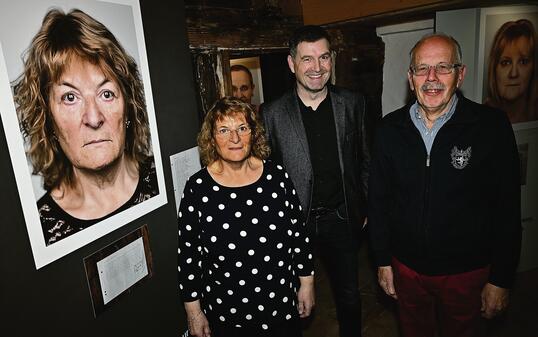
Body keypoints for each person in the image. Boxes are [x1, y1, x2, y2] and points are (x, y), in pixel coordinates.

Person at [368, 33, 522, 337]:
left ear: (460, 74)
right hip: (407, 269)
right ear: (410, 78)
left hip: (467, 272)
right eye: (422, 69)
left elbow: (507, 208)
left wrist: (501, 279)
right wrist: (383, 260)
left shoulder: (491, 127)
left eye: (443, 67)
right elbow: (379, 201)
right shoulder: (388, 129)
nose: (432, 78)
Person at [13, 9, 157, 246]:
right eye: (70, 97)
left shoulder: (164, 182)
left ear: (128, 107)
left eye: (106, 93)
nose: (93, 118)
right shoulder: (39, 233)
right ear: (48, 120)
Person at [262, 25, 370, 337]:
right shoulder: (272, 113)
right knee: (294, 300)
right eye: (307, 59)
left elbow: (366, 160)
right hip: (295, 224)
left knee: (349, 296)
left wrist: (363, 205)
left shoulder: (352, 103)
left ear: (332, 60)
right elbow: (268, 175)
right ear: (292, 63)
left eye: (323, 57)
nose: (317, 67)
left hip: (341, 218)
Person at [177, 97, 314, 337]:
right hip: (227, 314)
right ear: (211, 137)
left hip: (280, 306)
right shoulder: (197, 188)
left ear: (254, 132)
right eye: (224, 130)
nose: (235, 138)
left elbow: (298, 235)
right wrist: (194, 311)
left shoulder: (277, 177)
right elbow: (189, 255)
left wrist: (307, 283)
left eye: (242, 128)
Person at [485, 19, 538, 123]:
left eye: (523, 62)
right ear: (494, 68)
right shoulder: (481, 117)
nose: (513, 74)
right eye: (506, 63)